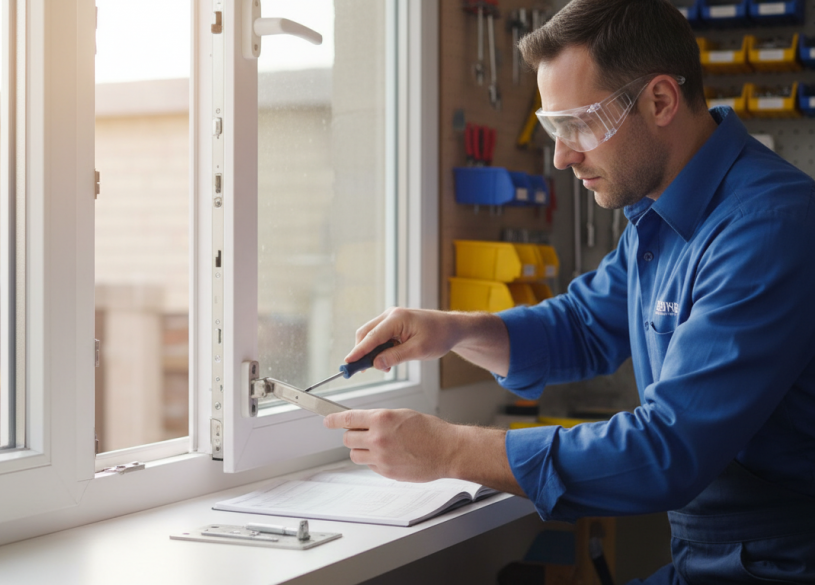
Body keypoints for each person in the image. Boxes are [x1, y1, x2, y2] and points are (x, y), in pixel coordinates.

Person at [323, 0, 815, 582]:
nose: (562, 156)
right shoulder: (665, 214)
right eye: (555, 128)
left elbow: (669, 450)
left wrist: (450, 450)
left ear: (660, 101)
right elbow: (581, 327)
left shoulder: (769, 226)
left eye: (579, 123)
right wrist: (452, 330)